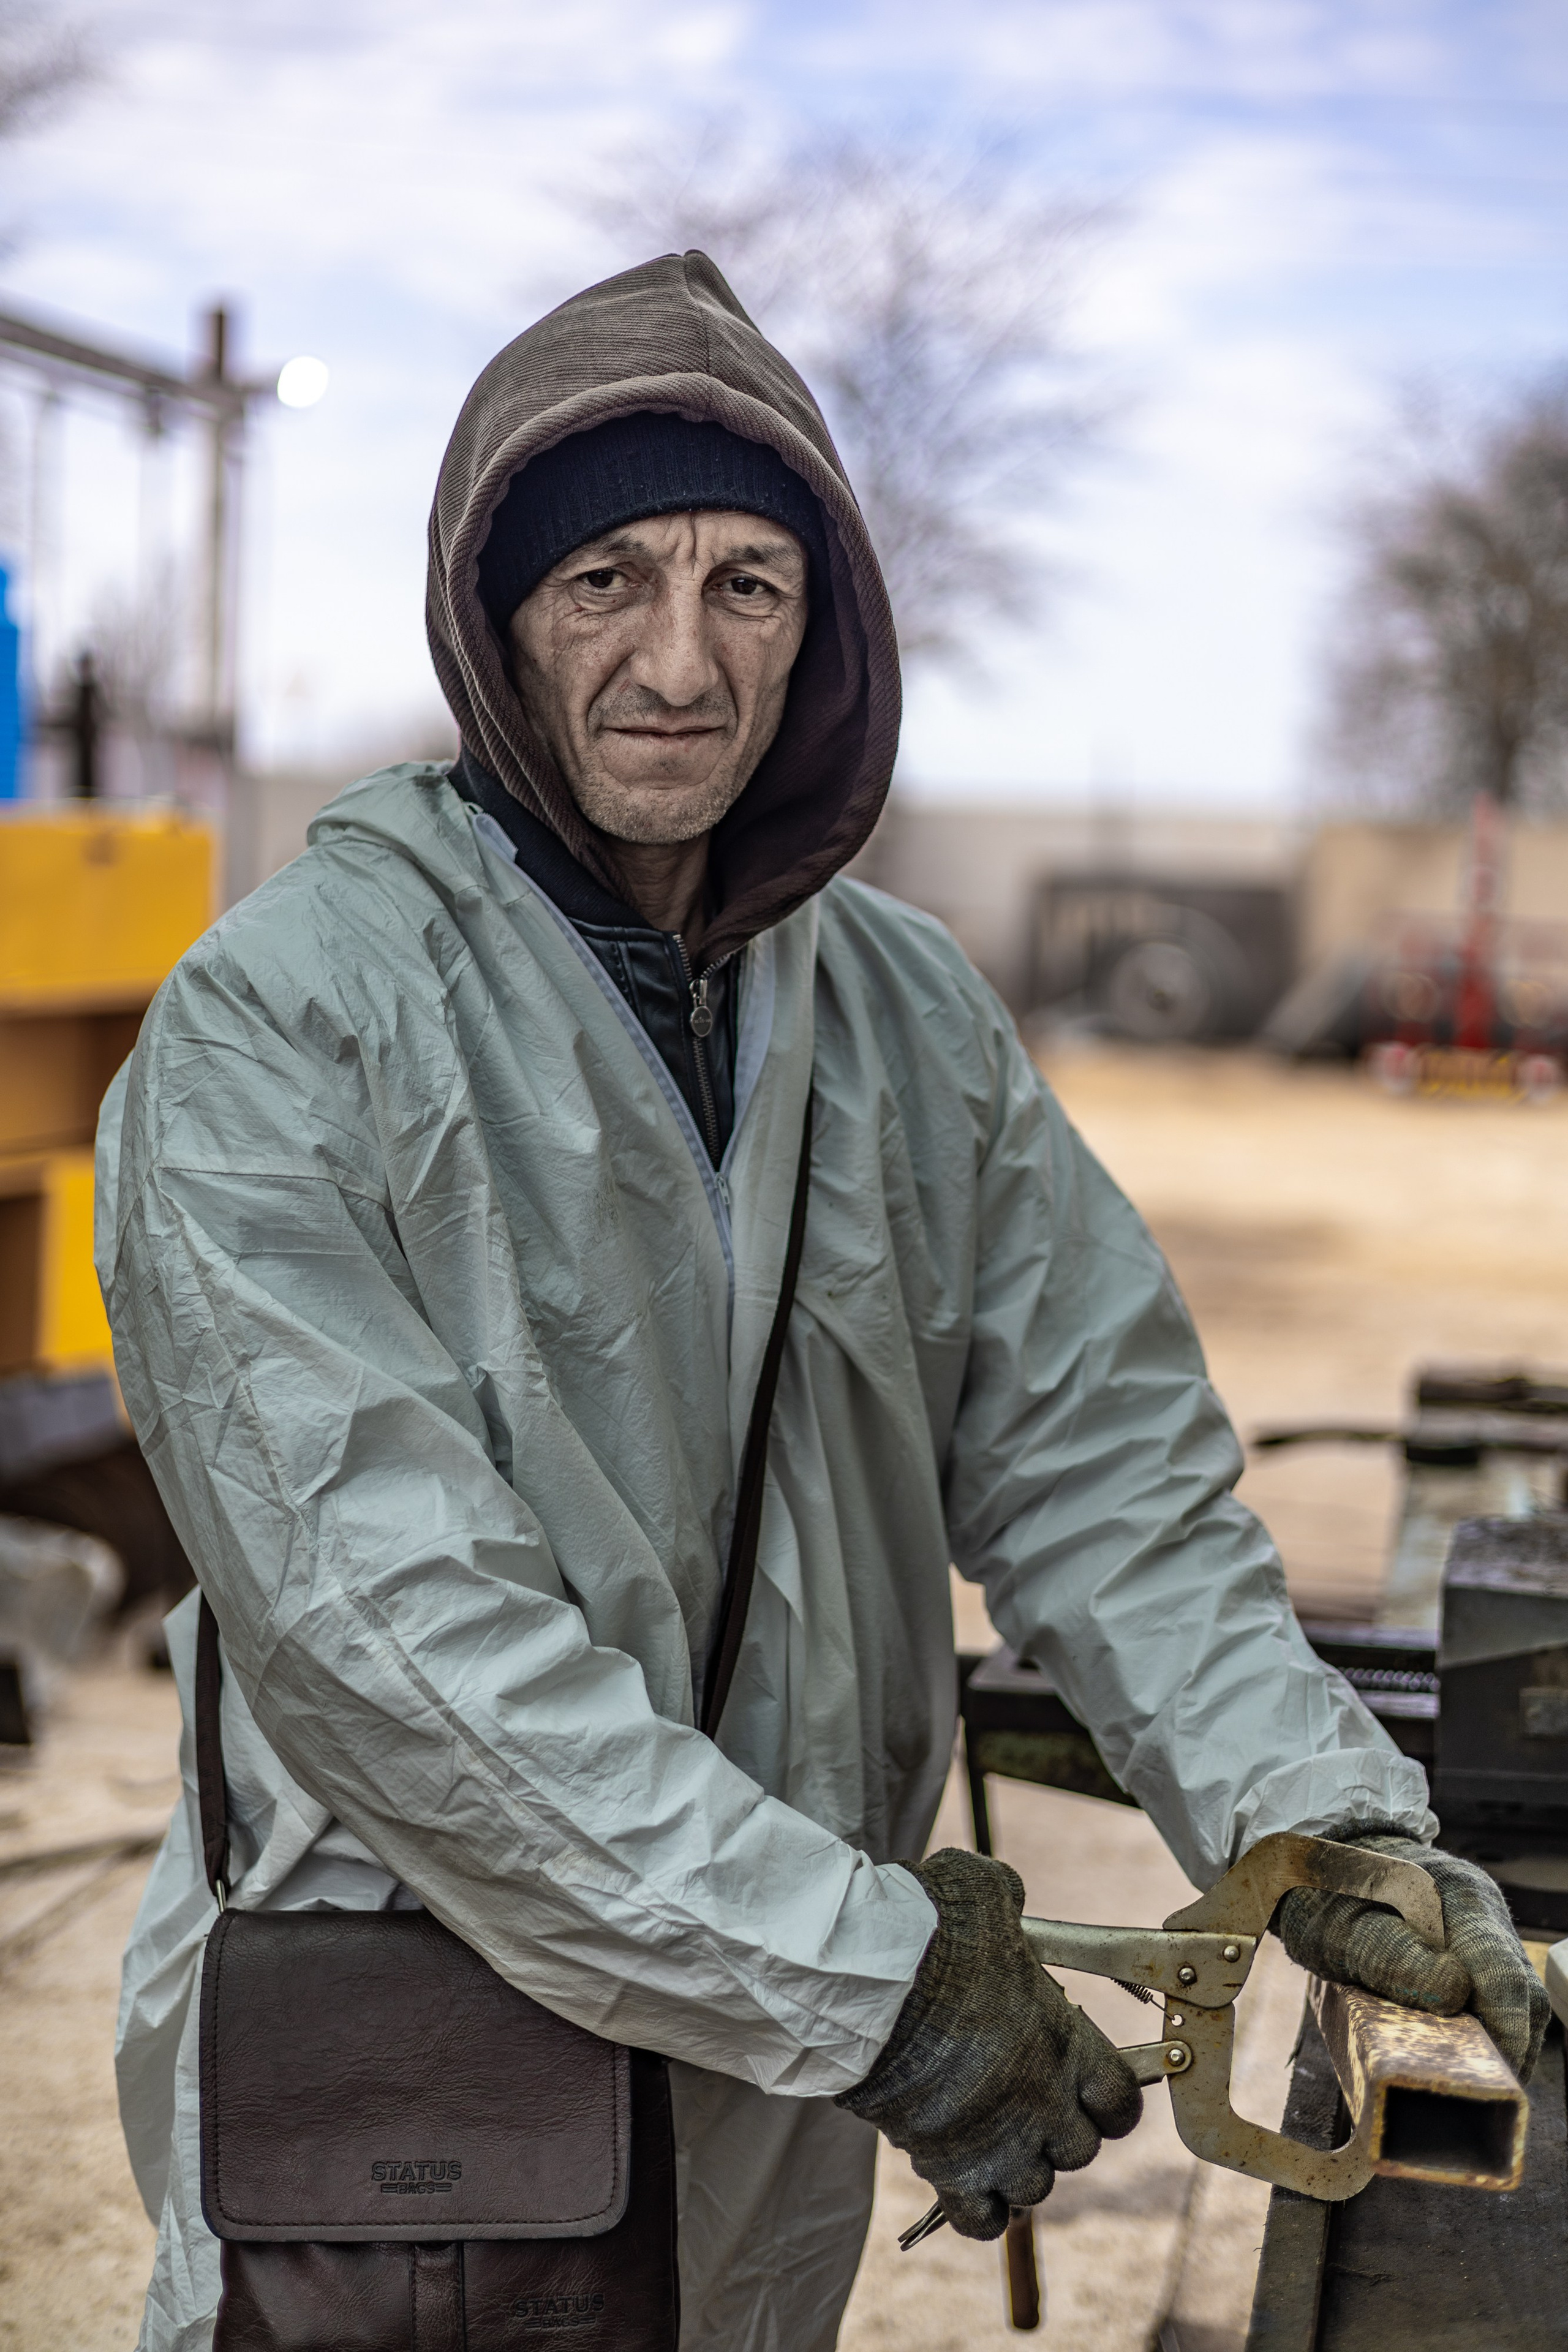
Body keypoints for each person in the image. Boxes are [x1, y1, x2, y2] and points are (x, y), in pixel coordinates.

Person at [100, 252, 1544, 2352]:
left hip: (779, 2090)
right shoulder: (280, 1029)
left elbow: (1108, 1480)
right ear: (492, 618)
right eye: (606, 581)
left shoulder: (902, 1015)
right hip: (415, 2105)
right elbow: (401, 1656)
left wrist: (1316, 1820)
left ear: (825, 626)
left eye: (747, 586)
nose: (680, 661)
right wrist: (876, 1987)